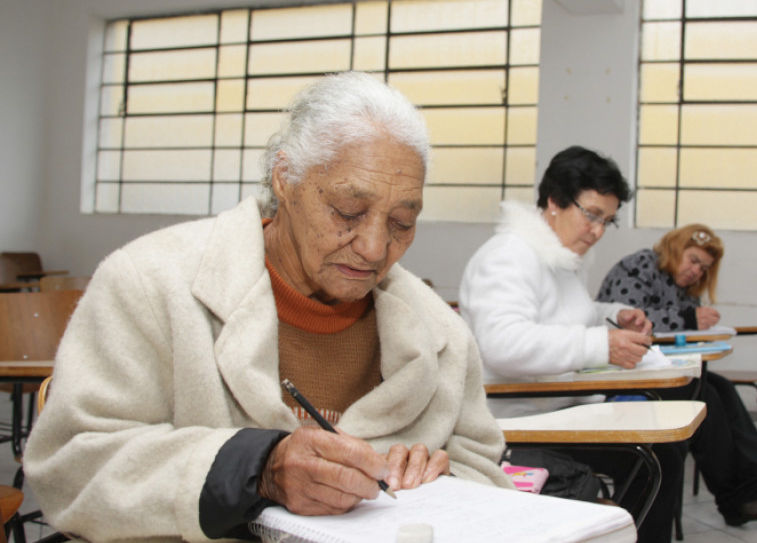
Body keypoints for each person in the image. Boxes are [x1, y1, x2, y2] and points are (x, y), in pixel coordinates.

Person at [23, 72, 514, 542]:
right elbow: (70, 468)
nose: (373, 246)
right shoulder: (150, 285)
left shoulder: (442, 336)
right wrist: (256, 470)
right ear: (285, 177)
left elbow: (487, 474)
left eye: (402, 222)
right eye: (347, 212)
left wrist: (443, 479)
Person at [459, 145, 682, 543]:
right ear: (554, 202)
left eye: (607, 221)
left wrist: (615, 315)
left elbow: (572, 317)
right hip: (517, 420)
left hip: (561, 404)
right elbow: (504, 343)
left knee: (661, 450)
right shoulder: (509, 256)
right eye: (592, 214)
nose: (597, 231)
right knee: (654, 461)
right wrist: (600, 345)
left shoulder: (557, 258)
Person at [597, 224, 757, 526]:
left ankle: (756, 484)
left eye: (704, 268)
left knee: (720, 388)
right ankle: (740, 496)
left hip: (656, 371)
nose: (697, 271)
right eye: (693, 260)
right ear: (675, 249)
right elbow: (625, 320)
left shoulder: (685, 290)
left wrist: (697, 328)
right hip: (620, 377)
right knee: (706, 394)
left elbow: (679, 332)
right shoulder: (639, 266)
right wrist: (687, 319)